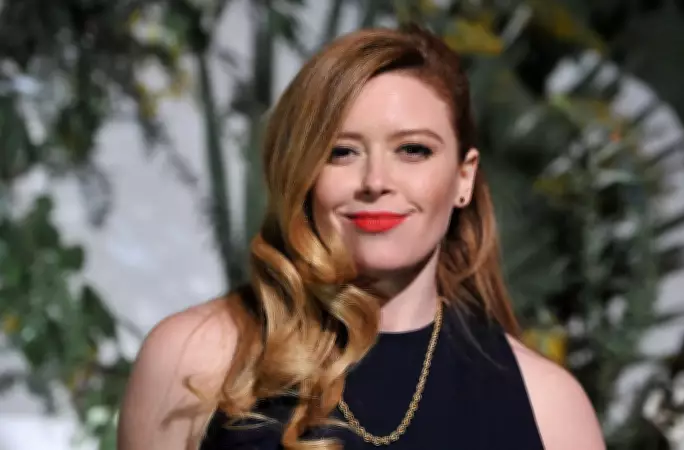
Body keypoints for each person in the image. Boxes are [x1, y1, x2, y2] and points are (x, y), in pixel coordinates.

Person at [118, 24, 605, 450]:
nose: (375, 181)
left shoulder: (549, 405)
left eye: (413, 150)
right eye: (342, 152)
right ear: (303, 173)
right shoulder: (194, 357)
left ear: (464, 177)